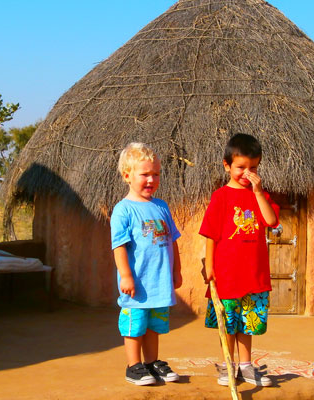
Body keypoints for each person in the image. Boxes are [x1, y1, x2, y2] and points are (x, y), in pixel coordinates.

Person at [200, 133, 280, 387]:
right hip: (226, 275)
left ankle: (246, 366)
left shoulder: (261, 196)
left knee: (248, 323)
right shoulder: (220, 197)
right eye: (241, 168)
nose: (247, 173)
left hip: (254, 275)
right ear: (227, 166)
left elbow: (270, 221)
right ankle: (228, 364)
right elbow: (211, 235)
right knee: (229, 323)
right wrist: (210, 267)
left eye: (253, 167)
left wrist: (257, 193)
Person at [110, 142, 183, 386]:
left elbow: (172, 241)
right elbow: (119, 246)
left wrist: (176, 270)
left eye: (156, 174)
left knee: (154, 326)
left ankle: (152, 362)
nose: (151, 179)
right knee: (134, 326)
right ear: (127, 175)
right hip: (137, 285)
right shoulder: (123, 210)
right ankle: (133, 366)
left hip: (159, 283)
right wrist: (126, 276)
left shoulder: (161, 206)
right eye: (145, 174)